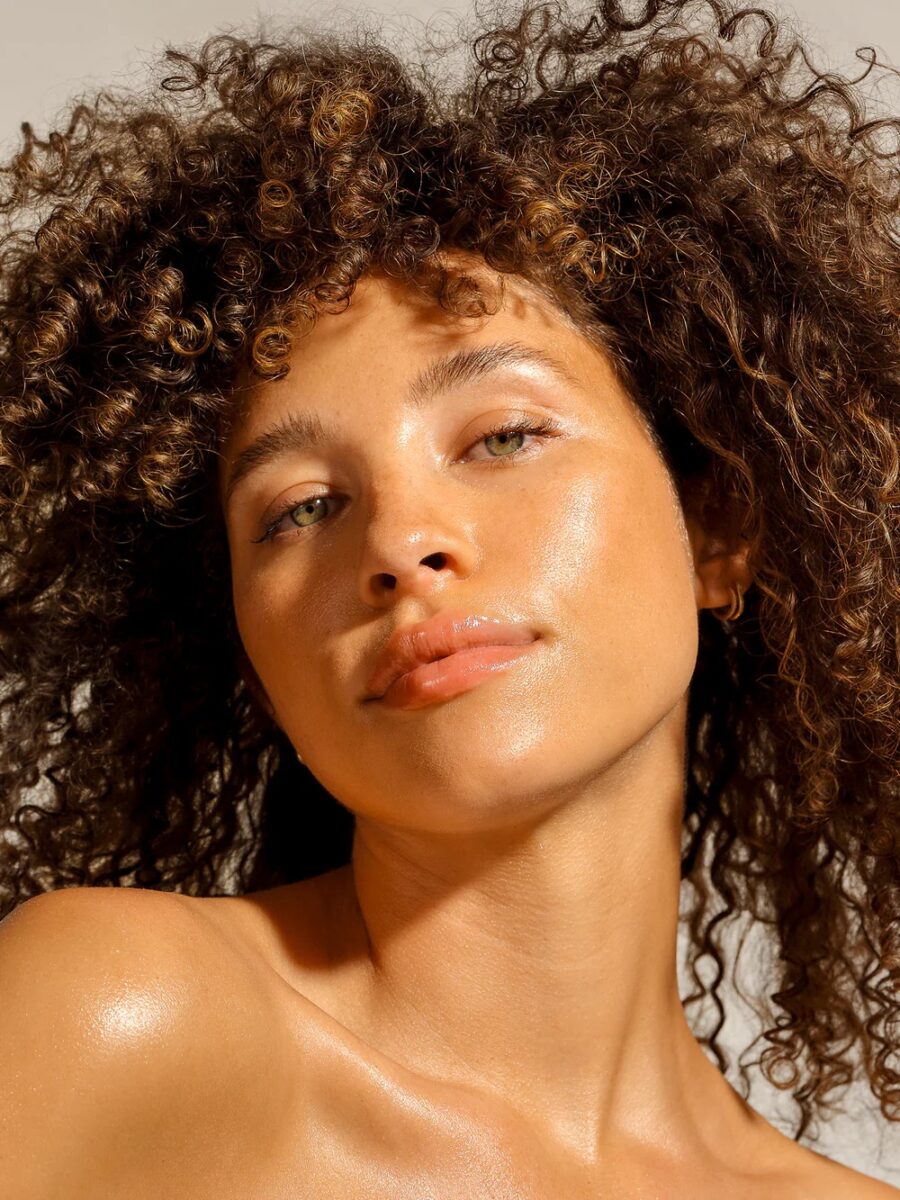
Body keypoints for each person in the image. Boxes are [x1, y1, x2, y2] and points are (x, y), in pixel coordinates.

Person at [0, 0, 897, 1194]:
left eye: (504, 436)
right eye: (300, 508)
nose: (400, 542)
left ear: (719, 524)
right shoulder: (124, 1018)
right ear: (252, 653)